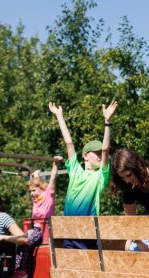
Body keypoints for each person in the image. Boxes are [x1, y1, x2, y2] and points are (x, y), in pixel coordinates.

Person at [48, 99, 117, 248]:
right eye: (96, 153)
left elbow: (106, 150)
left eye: (101, 153)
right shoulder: (75, 171)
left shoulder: (100, 177)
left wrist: (107, 122)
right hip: (69, 231)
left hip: (88, 232)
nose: (100, 155)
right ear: (85, 155)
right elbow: (69, 143)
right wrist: (59, 116)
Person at [9, 156, 63, 278]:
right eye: (30, 192)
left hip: (42, 232)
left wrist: (55, 164)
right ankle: (15, 269)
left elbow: (53, 178)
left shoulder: (48, 194)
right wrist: (34, 175)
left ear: (41, 187)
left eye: (34, 191)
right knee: (18, 241)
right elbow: (34, 181)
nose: (32, 194)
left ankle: (21, 270)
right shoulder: (35, 200)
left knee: (24, 240)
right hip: (34, 230)